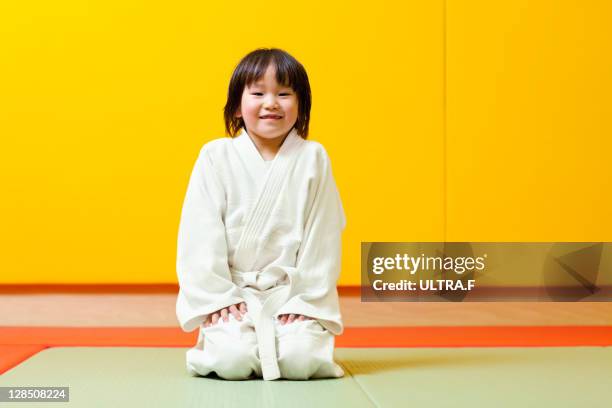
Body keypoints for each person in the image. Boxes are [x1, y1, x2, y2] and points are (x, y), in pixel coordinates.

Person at [175, 48, 346, 381]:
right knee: (232, 361)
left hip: (292, 293)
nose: (272, 102)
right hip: (233, 294)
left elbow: (323, 235)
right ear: (238, 106)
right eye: (258, 93)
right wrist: (218, 299)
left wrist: (306, 301)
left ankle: (295, 326)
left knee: (300, 361)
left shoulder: (313, 158)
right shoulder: (215, 156)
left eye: (284, 93)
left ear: (301, 106)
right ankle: (227, 333)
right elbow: (199, 233)